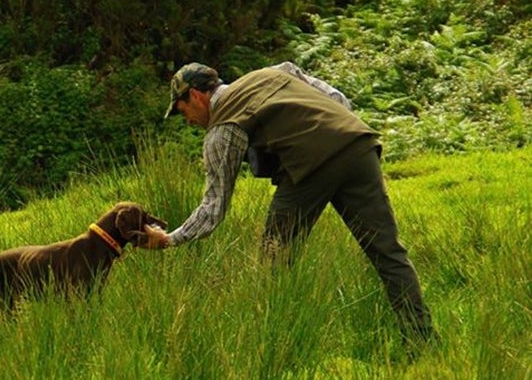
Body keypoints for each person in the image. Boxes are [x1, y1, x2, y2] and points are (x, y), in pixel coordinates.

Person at [143, 61, 437, 353]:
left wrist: (170, 239)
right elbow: (337, 99)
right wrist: (334, 140)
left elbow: (214, 208)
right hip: (357, 144)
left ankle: (275, 349)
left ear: (195, 96)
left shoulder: (223, 128)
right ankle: (422, 341)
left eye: (184, 113)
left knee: (274, 262)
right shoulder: (274, 72)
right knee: (387, 251)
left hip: (309, 168)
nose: (189, 121)